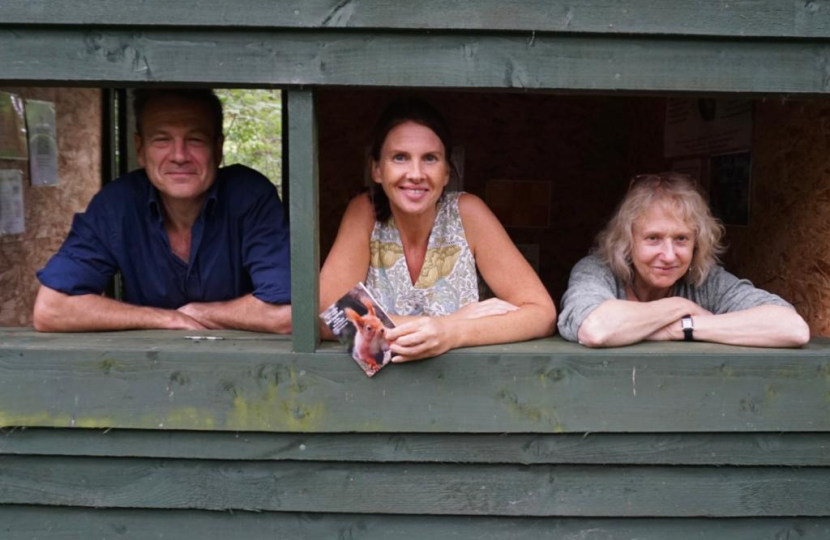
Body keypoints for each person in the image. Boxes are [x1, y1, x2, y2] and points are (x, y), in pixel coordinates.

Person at [33, 88, 291, 333]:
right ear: (140, 150)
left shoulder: (249, 196)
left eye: (195, 139)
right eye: (162, 140)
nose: (179, 155)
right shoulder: (117, 203)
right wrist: (166, 319)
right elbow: (51, 309)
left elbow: (288, 314)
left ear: (218, 148)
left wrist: (201, 313)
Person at [320, 98, 556, 362]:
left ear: (446, 172)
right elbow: (329, 317)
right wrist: (447, 320)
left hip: (465, 387)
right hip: (380, 393)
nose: (416, 173)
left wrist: (451, 332)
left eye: (430, 159)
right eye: (400, 157)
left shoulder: (468, 213)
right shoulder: (365, 211)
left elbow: (541, 314)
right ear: (376, 169)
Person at [558, 172, 809, 348]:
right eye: (653, 238)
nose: (668, 255)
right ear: (626, 240)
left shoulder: (704, 279)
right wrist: (678, 306)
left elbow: (792, 328)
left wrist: (683, 328)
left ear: (696, 243)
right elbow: (596, 328)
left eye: (681, 239)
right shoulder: (597, 270)